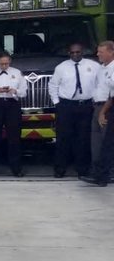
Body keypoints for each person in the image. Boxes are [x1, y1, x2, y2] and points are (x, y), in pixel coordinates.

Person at [48, 42, 102, 178]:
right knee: (63, 138)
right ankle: (60, 168)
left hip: (86, 106)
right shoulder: (61, 68)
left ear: (82, 52)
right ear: (69, 53)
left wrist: (95, 100)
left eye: (78, 52)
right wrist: (57, 103)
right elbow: (53, 85)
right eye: (72, 52)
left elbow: (99, 84)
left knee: (83, 138)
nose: (75, 54)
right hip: (66, 106)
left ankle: (82, 169)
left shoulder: (93, 66)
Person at [81, 40, 114, 187]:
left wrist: (103, 113)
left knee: (106, 143)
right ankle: (96, 172)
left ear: (111, 51)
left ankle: (106, 174)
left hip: (107, 108)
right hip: (97, 106)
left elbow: (112, 95)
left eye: (101, 51)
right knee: (96, 142)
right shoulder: (101, 68)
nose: (97, 54)